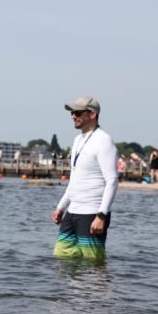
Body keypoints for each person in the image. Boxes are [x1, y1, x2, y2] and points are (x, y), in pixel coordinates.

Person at [51, 96, 118, 261]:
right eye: (72, 113)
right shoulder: (77, 140)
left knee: (92, 265)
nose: (73, 116)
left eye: (78, 112)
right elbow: (75, 179)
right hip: (73, 211)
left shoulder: (104, 141)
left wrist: (101, 216)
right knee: (61, 260)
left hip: (92, 213)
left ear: (92, 114)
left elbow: (112, 181)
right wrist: (61, 206)